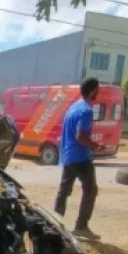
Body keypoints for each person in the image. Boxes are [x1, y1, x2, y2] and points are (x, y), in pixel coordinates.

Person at [54, 77, 104, 241]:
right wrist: (96, 146)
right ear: (93, 90)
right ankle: (81, 227)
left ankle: (54, 225)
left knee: (64, 192)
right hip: (81, 157)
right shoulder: (86, 111)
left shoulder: (73, 107)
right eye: (98, 89)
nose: (99, 92)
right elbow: (81, 136)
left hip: (68, 156)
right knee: (90, 190)